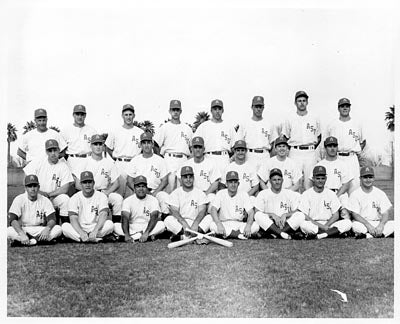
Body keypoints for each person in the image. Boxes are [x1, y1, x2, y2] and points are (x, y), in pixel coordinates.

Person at [73, 134, 123, 224]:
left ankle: (116, 226)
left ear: (103, 146)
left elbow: (116, 183)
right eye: (95, 144)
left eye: (100, 144)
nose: (98, 146)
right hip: (87, 193)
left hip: (104, 192)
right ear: (91, 146)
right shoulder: (83, 162)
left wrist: (107, 193)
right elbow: (77, 184)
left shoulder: (109, 163)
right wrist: (90, 192)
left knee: (117, 198)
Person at [293, 166, 352, 239]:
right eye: (318, 178)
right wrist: (321, 226)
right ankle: (332, 233)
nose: (320, 181)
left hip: (328, 223)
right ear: (313, 179)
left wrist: (326, 225)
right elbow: (305, 216)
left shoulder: (331, 193)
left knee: (347, 223)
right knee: (303, 225)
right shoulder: (306, 194)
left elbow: (336, 215)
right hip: (313, 224)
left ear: (326, 179)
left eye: (322, 178)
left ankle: (320, 235)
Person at [23, 139, 73, 224]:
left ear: (59, 150)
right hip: (37, 195)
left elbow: (65, 188)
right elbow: (26, 178)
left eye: (55, 150)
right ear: (46, 152)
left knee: (65, 199)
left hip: (54, 196)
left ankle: (65, 229)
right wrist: (38, 192)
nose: (53, 153)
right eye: (50, 150)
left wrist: (49, 195)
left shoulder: (63, 166)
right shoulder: (38, 162)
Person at [281, 91, 321, 191]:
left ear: (307, 102)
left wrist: (310, 147)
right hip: (295, 152)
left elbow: (319, 137)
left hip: (310, 152)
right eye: (299, 101)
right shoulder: (289, 118)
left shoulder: (314, 117)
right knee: (294, 182)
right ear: (295, 103)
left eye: (304, 100)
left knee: (310, 183)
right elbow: (284, 137)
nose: (302, 103)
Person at [7, 175, 62, 246]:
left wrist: (47, 229)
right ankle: (41, 241)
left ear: (38, 187)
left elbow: (52, 218)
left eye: (35, 186)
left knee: (58, 229)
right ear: (26, 188)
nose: (33, 189)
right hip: (24, 229)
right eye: (30, 186)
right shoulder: (19, 199)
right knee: (8, 231)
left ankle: (25, 242)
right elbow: (12, 219)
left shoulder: (45, 200)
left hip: (40, 229)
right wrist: (21, 233)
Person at [306, 136, 353, 219]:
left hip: (338, 193)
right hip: (323, 193)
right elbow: (309, 182)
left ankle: (346, 230)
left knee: (345, 211)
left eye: (334, 146)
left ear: (337, 147)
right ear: (325, 148)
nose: (332, 148)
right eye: (329, 146)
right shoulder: (319, 164)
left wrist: (336, 196)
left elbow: (346, 184)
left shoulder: (343, 164)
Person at [325, 98, 366, 192]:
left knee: (354, 187)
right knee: (337, 186)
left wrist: (357, 152)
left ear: (350, 108)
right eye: (342, 106)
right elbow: (326, 142)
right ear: (338, 108)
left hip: (352, 158)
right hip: (337, 157)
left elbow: (363, 141)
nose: (345, 108)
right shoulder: (332, 124)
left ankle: (353, 206)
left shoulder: (357, 124)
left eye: (347, 106)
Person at [61, 171, 114, 243]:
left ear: (93, 183)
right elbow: (73, 219)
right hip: (80, 227)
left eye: (89, 182)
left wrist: (95, 231)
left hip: (96, 226)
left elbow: (103, 214)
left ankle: (83, 239)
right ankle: (95, 239)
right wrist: (81, 232)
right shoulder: (74, 198)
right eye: (85, 182)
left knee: (110, 224)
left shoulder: (101, 196)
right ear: (80, 184)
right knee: (65, 227)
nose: (87, 185)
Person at [126, 132, 170, 217]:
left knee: (165, 197)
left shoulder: (160, 160)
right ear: (140, 145)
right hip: (139, 191)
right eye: (144, 143)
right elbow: (129, 180)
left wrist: (155, 192)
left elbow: (165, 180)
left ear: (152, 144)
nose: (146, 145)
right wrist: (137, 191)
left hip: (155, 191)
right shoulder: (135, 160)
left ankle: (166, 224)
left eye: (149, 142)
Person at [164, 166, 212, 242]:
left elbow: (202, 211)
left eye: (190, 177)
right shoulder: (176, 193)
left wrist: (196, 224)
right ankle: (195, 236)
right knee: (168, 220)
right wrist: (183, 223)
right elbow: (174, 212)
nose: (188, 180)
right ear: (181, 179)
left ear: (193, 178)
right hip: (181, 224)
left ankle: (185, 237)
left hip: (196, 223)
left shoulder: (200, 193)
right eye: (185, 177)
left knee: (210, 217)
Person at [153, 100, 193, 192]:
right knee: (169, 188)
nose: (175, 112)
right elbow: (155, 144)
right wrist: (160, 159)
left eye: (177, 110)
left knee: (182, 188)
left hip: (183, 159)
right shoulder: (164, 127)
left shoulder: (187, 129)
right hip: (169, 159)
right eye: (173, 110)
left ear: (180, 111)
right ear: (170, 111)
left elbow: (192, 147)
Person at [105, 104, 144, 197]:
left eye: (130, 114)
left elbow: (144, 149)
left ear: (134, 115)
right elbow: (108, 147)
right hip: (120, 163)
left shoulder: (140, 132)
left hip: (135, 164)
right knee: (118, 194)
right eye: (126, 114)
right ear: (122, 116)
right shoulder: (115, 131)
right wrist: (115, 158)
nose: (128, 117)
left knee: (133, 195)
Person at [254, 168, 303, 240]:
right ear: (270, 181)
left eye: (279, 179)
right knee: (258, 215)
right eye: (274, 180)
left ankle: (275, 233)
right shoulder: (263, 193)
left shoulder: (289, 193)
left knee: (301, 215)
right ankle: (282, 233)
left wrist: (286, 215)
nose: (277, 182)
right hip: (270, 223)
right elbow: (257, 211)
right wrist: (271, 215)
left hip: (285, 223)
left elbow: (297, 211)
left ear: (282, 180)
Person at [114, 176, 166, 242]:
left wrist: (146, 233)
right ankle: (143, 236)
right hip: (132, 226)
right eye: (138, 186)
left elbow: (154, 217)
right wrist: (127, 234)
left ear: (147, 188)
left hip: (147, 226)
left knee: (161, 225)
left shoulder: (153, 199)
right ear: (134, 188)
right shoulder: (128, 200)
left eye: (143, 186)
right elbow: (125, 218)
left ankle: (134, 237)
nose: (141, 189)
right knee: (115, 226)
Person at [209, 171, 259, 239]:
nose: (233, 184)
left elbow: (251, 212)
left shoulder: (243, 194)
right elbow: (213, 209)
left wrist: (248, 225)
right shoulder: (221, 193)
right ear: (226, 184)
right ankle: (240, 235)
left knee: (256, 226)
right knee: (212, 225)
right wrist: (218, 224)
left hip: (239, 224)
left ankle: (230, 234)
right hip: (224, 223)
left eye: (235, 182)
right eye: (230, 182)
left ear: (238, 183)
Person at [348, 166, 394, 238]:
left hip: (377, 222)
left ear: (374, 178)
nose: (368, 180)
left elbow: (385, 213)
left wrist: (381, 225)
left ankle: (367, 235)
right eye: (365, 177)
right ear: (360, 178)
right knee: (355, 225)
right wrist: (368, 225)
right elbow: (355, 215)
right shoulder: (355, 194)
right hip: (362, 223)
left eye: (370, 177)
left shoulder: (380, 193)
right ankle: (381, 234)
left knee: (394, 224)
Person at [177, 136, 221, 209]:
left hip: (206, 193)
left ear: (203, 149)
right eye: (195, 147)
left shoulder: (211, 163)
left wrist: (205, 194)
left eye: (200, 147)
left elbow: (215, 184)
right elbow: (180, 180)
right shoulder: (186, 164)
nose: (197, 149)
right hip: (190, 194)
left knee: (213, 198)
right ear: (191, 149)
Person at [235, 96, 277, 171]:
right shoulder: (244, 123)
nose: (258, 109)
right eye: (256, 106)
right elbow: (239, 143)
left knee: (265, 180)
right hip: (250, 155)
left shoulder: (270, 124)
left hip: (265, 155)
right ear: (252, 107)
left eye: (260, 107)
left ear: (263, 107)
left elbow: (273, 144)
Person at [194, 99, 235, 174]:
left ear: (223, 110)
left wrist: (231, 159)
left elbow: (236, 146)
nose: (217, 111)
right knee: (208, 184)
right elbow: (193, 145)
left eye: (219, 109)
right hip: (208, 157)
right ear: (211, 110)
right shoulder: (204, 126)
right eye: (215, 109)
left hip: (224, 158)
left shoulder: (229, 126)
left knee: (224, 184)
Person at [61, 104, 97, 176]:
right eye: (77, 114)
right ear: (73, 115)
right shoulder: (66, 130)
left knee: (88, 184)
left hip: (88, 160)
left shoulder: (91, 130)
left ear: (85, 115)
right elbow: (61, 150)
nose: (80, 117)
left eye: (82, 114)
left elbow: (96, 149)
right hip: (72, 161)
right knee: (72, 185)